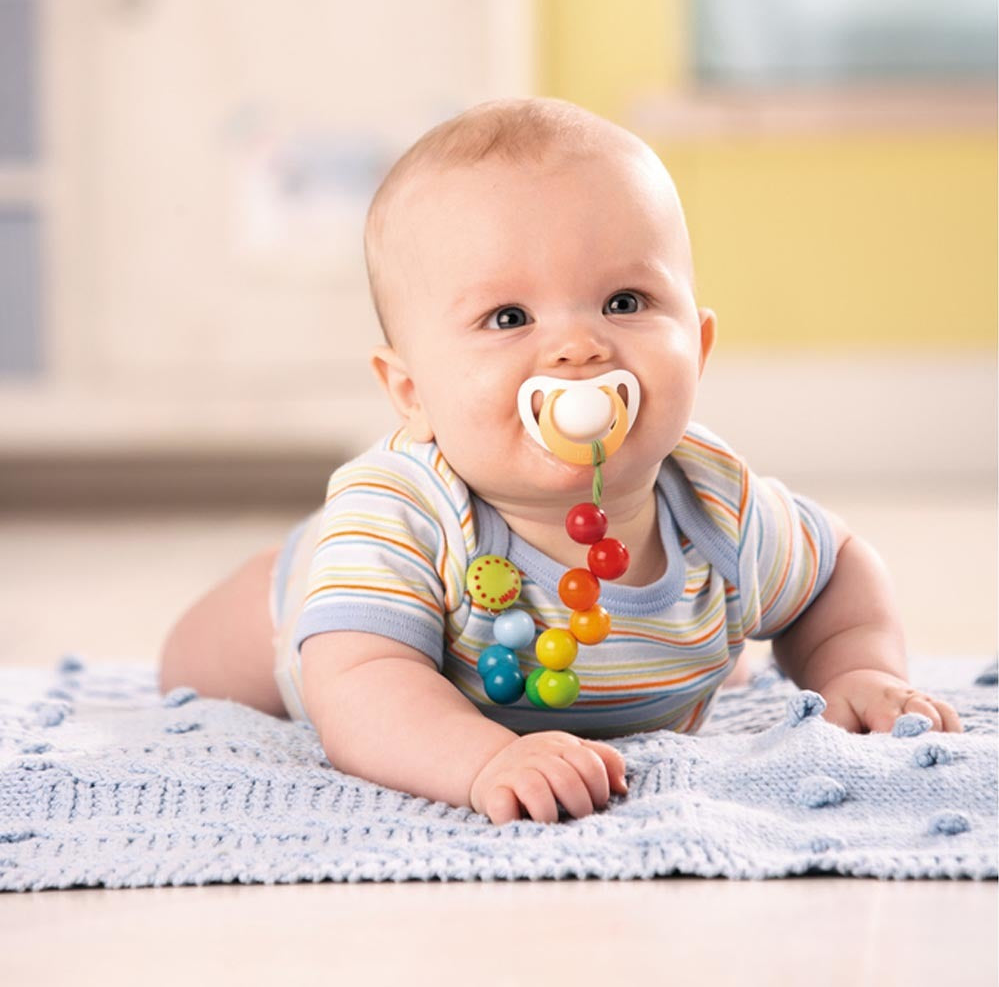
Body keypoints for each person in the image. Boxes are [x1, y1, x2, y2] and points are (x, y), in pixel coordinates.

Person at [159, 97, 961, 826]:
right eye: (508, 317)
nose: (578, 345)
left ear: (699, 346)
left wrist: (855, 666)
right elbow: (359, 689)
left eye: (624, 302)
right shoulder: (404, 515)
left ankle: (663, 664)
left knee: (745, 624)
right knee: (192, 667)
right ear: (410, 391)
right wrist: (482, 759)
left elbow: (838, 571)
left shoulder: (719, 504)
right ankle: (287, 576)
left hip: (601, 639)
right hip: (315, 604)